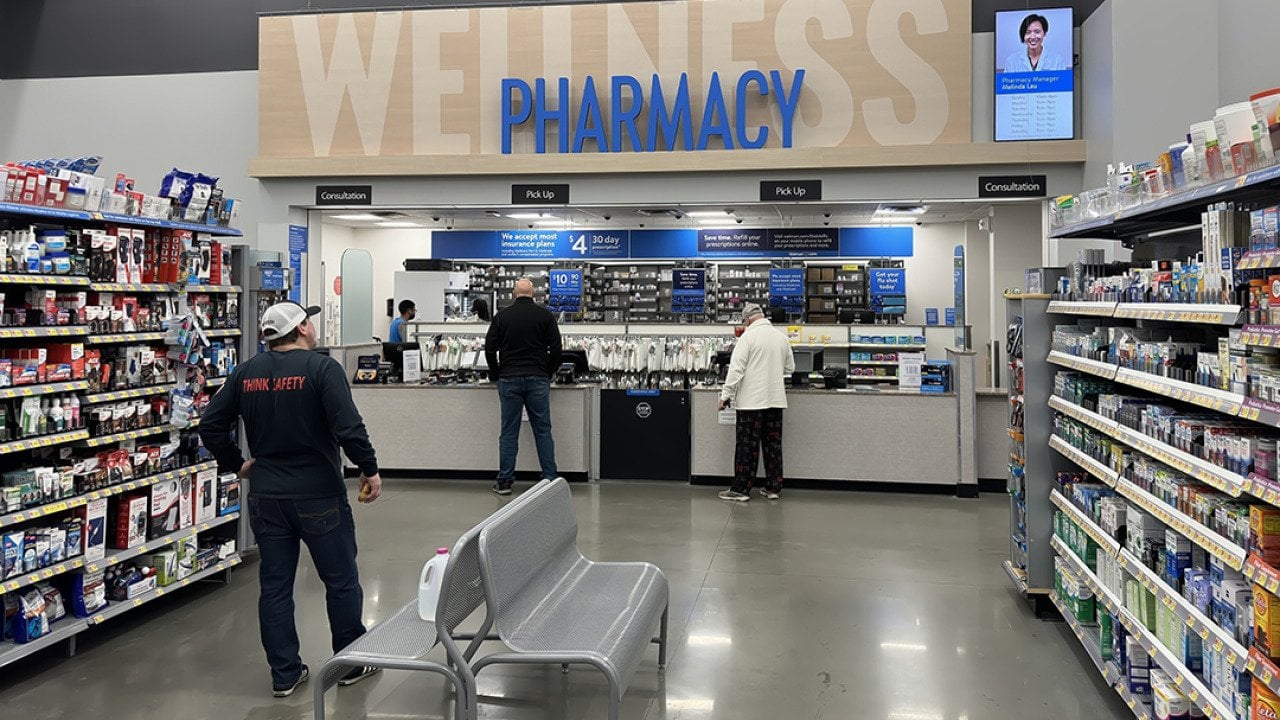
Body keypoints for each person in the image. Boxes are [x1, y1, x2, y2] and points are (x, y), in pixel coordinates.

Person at [199, 301, 383, 698]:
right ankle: (349, 663)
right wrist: (369, 468)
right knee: (340, 581)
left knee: (275, 586)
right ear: (301, 329)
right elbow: (349, 427)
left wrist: (239, 465)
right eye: (309, 321)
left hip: (266, 496)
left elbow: (211, 424)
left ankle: (284, 674)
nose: (313, 326)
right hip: (319, 495)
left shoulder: (245, 372)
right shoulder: (322, 369)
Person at [484, 278, 563, 495]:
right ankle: (549, 478)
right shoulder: (545, 316)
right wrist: (549, 371)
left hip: (509, 378)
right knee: (543, 430)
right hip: (538, 377)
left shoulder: (502, 317)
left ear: (513, 293)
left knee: (509, 431)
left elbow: (489, 349)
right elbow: (557, 348)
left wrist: (497, 373)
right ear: (534, 293)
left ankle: (505, 482)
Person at [717, 302, 795, 502]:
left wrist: (725, 396)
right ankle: (773, 488)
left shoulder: (747, 338)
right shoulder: (781, 337)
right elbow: (790, 369)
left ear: (748, 319)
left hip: (751, 402)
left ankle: (741, 490)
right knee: (773, 445)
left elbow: (735, 371)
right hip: (775, 400)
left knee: (747, 446)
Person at [1002, 13, 1069, 72]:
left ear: (1044, 33)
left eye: (1037, 32)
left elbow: (1064, 86)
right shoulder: (1012, 61)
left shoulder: (1057, 61)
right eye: (1028, 32)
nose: (1033, 37)